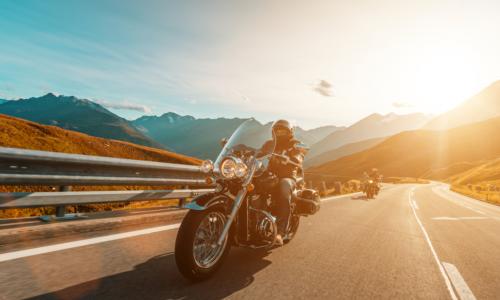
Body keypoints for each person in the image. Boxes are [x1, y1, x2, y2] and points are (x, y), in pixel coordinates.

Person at [259, 119, 304, 246]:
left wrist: (294, 157)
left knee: (284, 186)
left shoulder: (294, 144)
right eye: (277, 130)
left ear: (289, 131)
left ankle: (280, 232)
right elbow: (258, 153)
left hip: (288, 176)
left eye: (282, 130)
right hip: (270, 175)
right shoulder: (269, 143)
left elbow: (300, 155)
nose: (279, 133)